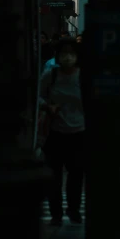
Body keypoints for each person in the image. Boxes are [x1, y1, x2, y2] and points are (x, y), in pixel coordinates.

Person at [39, 38, 86, 226]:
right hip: (55, 133)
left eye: (71, 53)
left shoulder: (82, 77)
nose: (68, 57)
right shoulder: (51, 75)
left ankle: (73, 210)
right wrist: (48, 107)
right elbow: (38, 96)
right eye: (64, 52)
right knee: (54, 176)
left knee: (76, 175)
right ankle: (56, 213)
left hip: (79, 132)